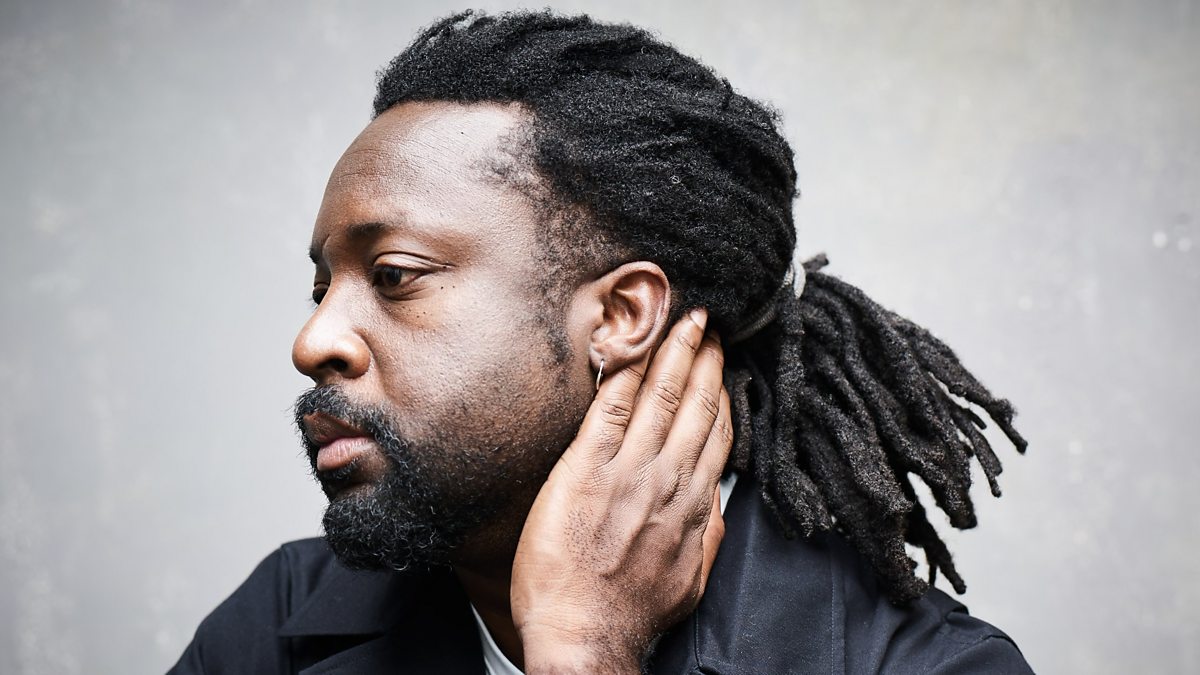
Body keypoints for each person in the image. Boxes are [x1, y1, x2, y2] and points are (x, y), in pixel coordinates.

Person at [171, 10, 1033, 674]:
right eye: (322, 287)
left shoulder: (925, 666)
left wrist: (584, 648)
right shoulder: (277, 624)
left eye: (394, 274)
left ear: (622, 315)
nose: (313, 339)